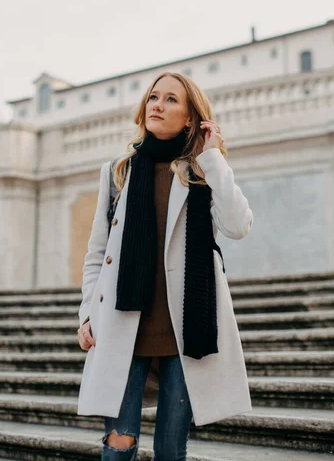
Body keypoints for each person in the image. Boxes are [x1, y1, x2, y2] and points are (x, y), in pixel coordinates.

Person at [77, 71, 254, 461]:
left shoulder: (201, 171)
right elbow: (97, 253)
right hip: (124, 325)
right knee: (118, 445)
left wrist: (214, 159)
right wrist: (87, 313)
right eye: (154, 97)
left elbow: (238, 226)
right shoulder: (118, 171)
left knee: (171, 450)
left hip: (185, 330)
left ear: (191, 117)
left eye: (172, 99)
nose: (157, 104)